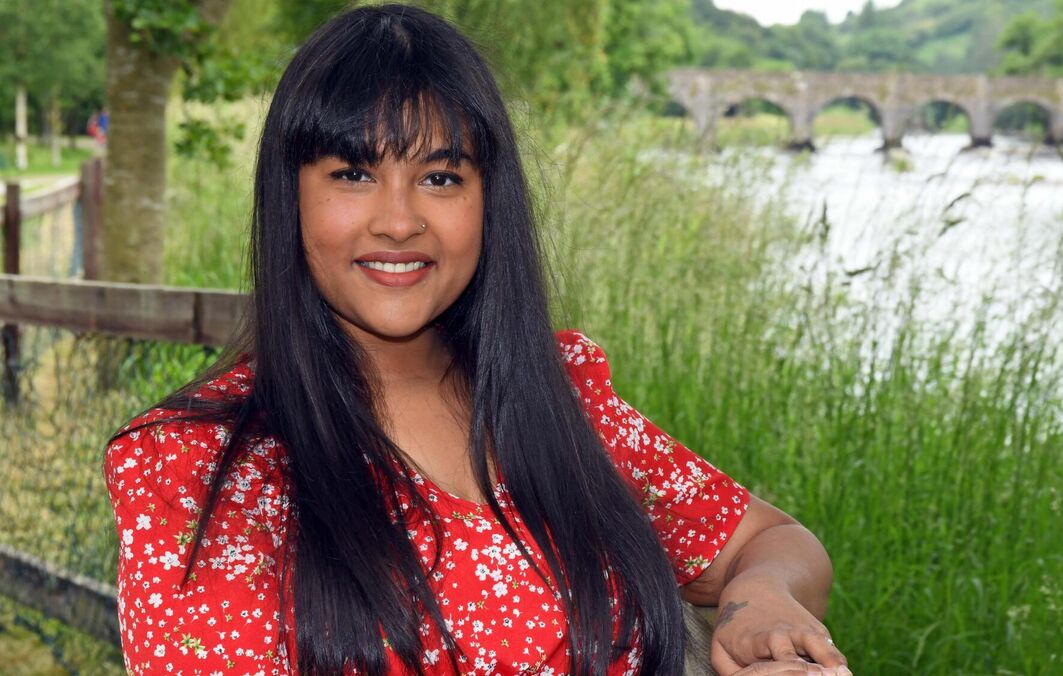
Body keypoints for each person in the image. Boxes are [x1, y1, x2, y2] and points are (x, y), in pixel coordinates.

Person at [102, 5, 850, 675]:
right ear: (289, 197)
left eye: (441, 177)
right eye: (354, 172)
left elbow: (773, 540)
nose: (399, 221)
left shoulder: (556, 401)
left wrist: (761, 602)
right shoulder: (200, 471)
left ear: (490, 202)